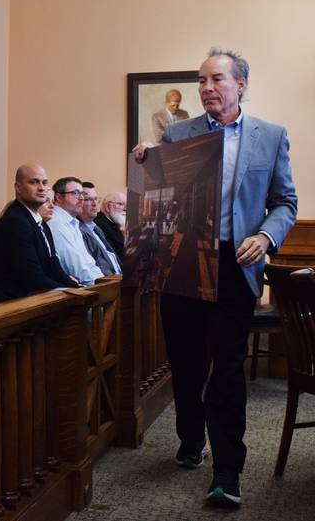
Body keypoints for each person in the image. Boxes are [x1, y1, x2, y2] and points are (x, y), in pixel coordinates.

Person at [133, 48, 297, 507]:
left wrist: (265, 236)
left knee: (227, 369)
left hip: (235, 265)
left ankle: (228, 471)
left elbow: (286, 202)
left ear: (240, 85)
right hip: (182, 263)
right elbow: (157, 195)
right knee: (186, 364)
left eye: (217, 80)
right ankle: (190, 439)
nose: (207, 88)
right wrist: (145, 163)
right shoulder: (178, 133)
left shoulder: (270, 136)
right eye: (201, 80)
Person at [0, 164, 77, 302]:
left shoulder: (40, 222)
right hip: (17, 303)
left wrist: (77, 288)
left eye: (44, 183)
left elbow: (55, 268)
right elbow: (31, 277)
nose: (42, 188)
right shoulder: (16, 221)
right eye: (34, 182)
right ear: (18, 187)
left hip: (42, 295)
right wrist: (70, 293)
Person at [47, 176, 104, 286]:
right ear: (59, 197)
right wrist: (101, 288)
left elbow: (89, 262)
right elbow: (76, 268)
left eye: (82, 193)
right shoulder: (56, 223)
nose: (82, 198)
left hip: (88, 286)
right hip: (72, 291)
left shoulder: (73, 223)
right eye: (76, 193)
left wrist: (103, 282)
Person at [79, 184, 121, 276]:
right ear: (79, 202)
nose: (94, 204)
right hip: (106, 282)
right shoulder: (78, 230)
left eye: (96, 199)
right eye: (88, 199)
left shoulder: (96, 228)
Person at [95, 192, 126, 257]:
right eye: (120, 204)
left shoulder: (112, 222)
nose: (125, 209)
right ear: (107, 207)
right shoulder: (100, 224)